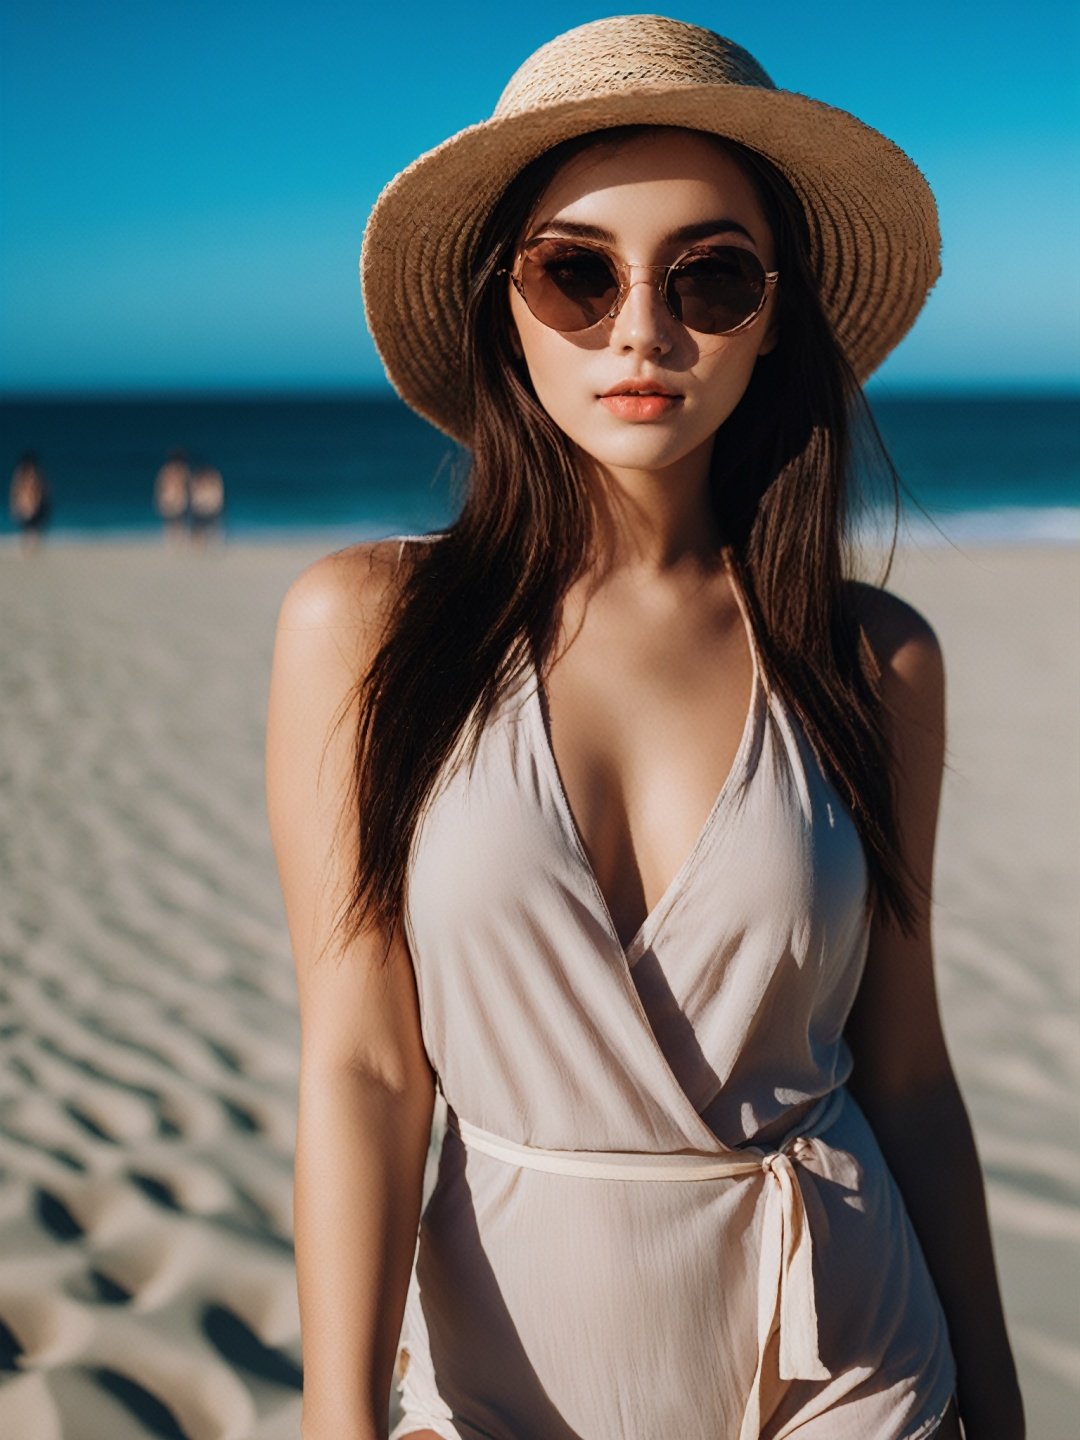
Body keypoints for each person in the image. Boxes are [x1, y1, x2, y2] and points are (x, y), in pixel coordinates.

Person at [266, 16, 1024, 1440]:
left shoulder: (874, 662)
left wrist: (1003, 1403)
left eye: (711, 276)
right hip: (498, 1392)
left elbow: (910, 1072)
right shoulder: (363, 628)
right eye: (576, 270)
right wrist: (337, 1424)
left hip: (845, 1372)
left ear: (774, 316)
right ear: (504, 301)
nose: (642, 327)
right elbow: (364, 1072)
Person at [9, 450, 51, 552]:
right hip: (26, 505)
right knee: (29, 529)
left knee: (32, 529)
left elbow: (42, 492)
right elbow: (16, 492)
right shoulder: (22, 475)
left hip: (32, 505)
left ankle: (32, 549)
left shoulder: (35, 475)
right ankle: (30, 549)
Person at [154, 450, 191, 547]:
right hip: (178, 498)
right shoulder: (183, 470)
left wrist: (158, 499)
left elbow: (159, 486)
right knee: (178, 521)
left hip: (167, 498)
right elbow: (187, 485)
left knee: (170, 521)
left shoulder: (165, 470)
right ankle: (177, 542)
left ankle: (172, 542)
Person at [188, 462, 225, 545]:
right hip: (203, 508)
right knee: (200, 530)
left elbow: (217, 496)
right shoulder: (199, 480)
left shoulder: (212, 480)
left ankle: (210, 546)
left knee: (211, 529)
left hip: (208, 508)